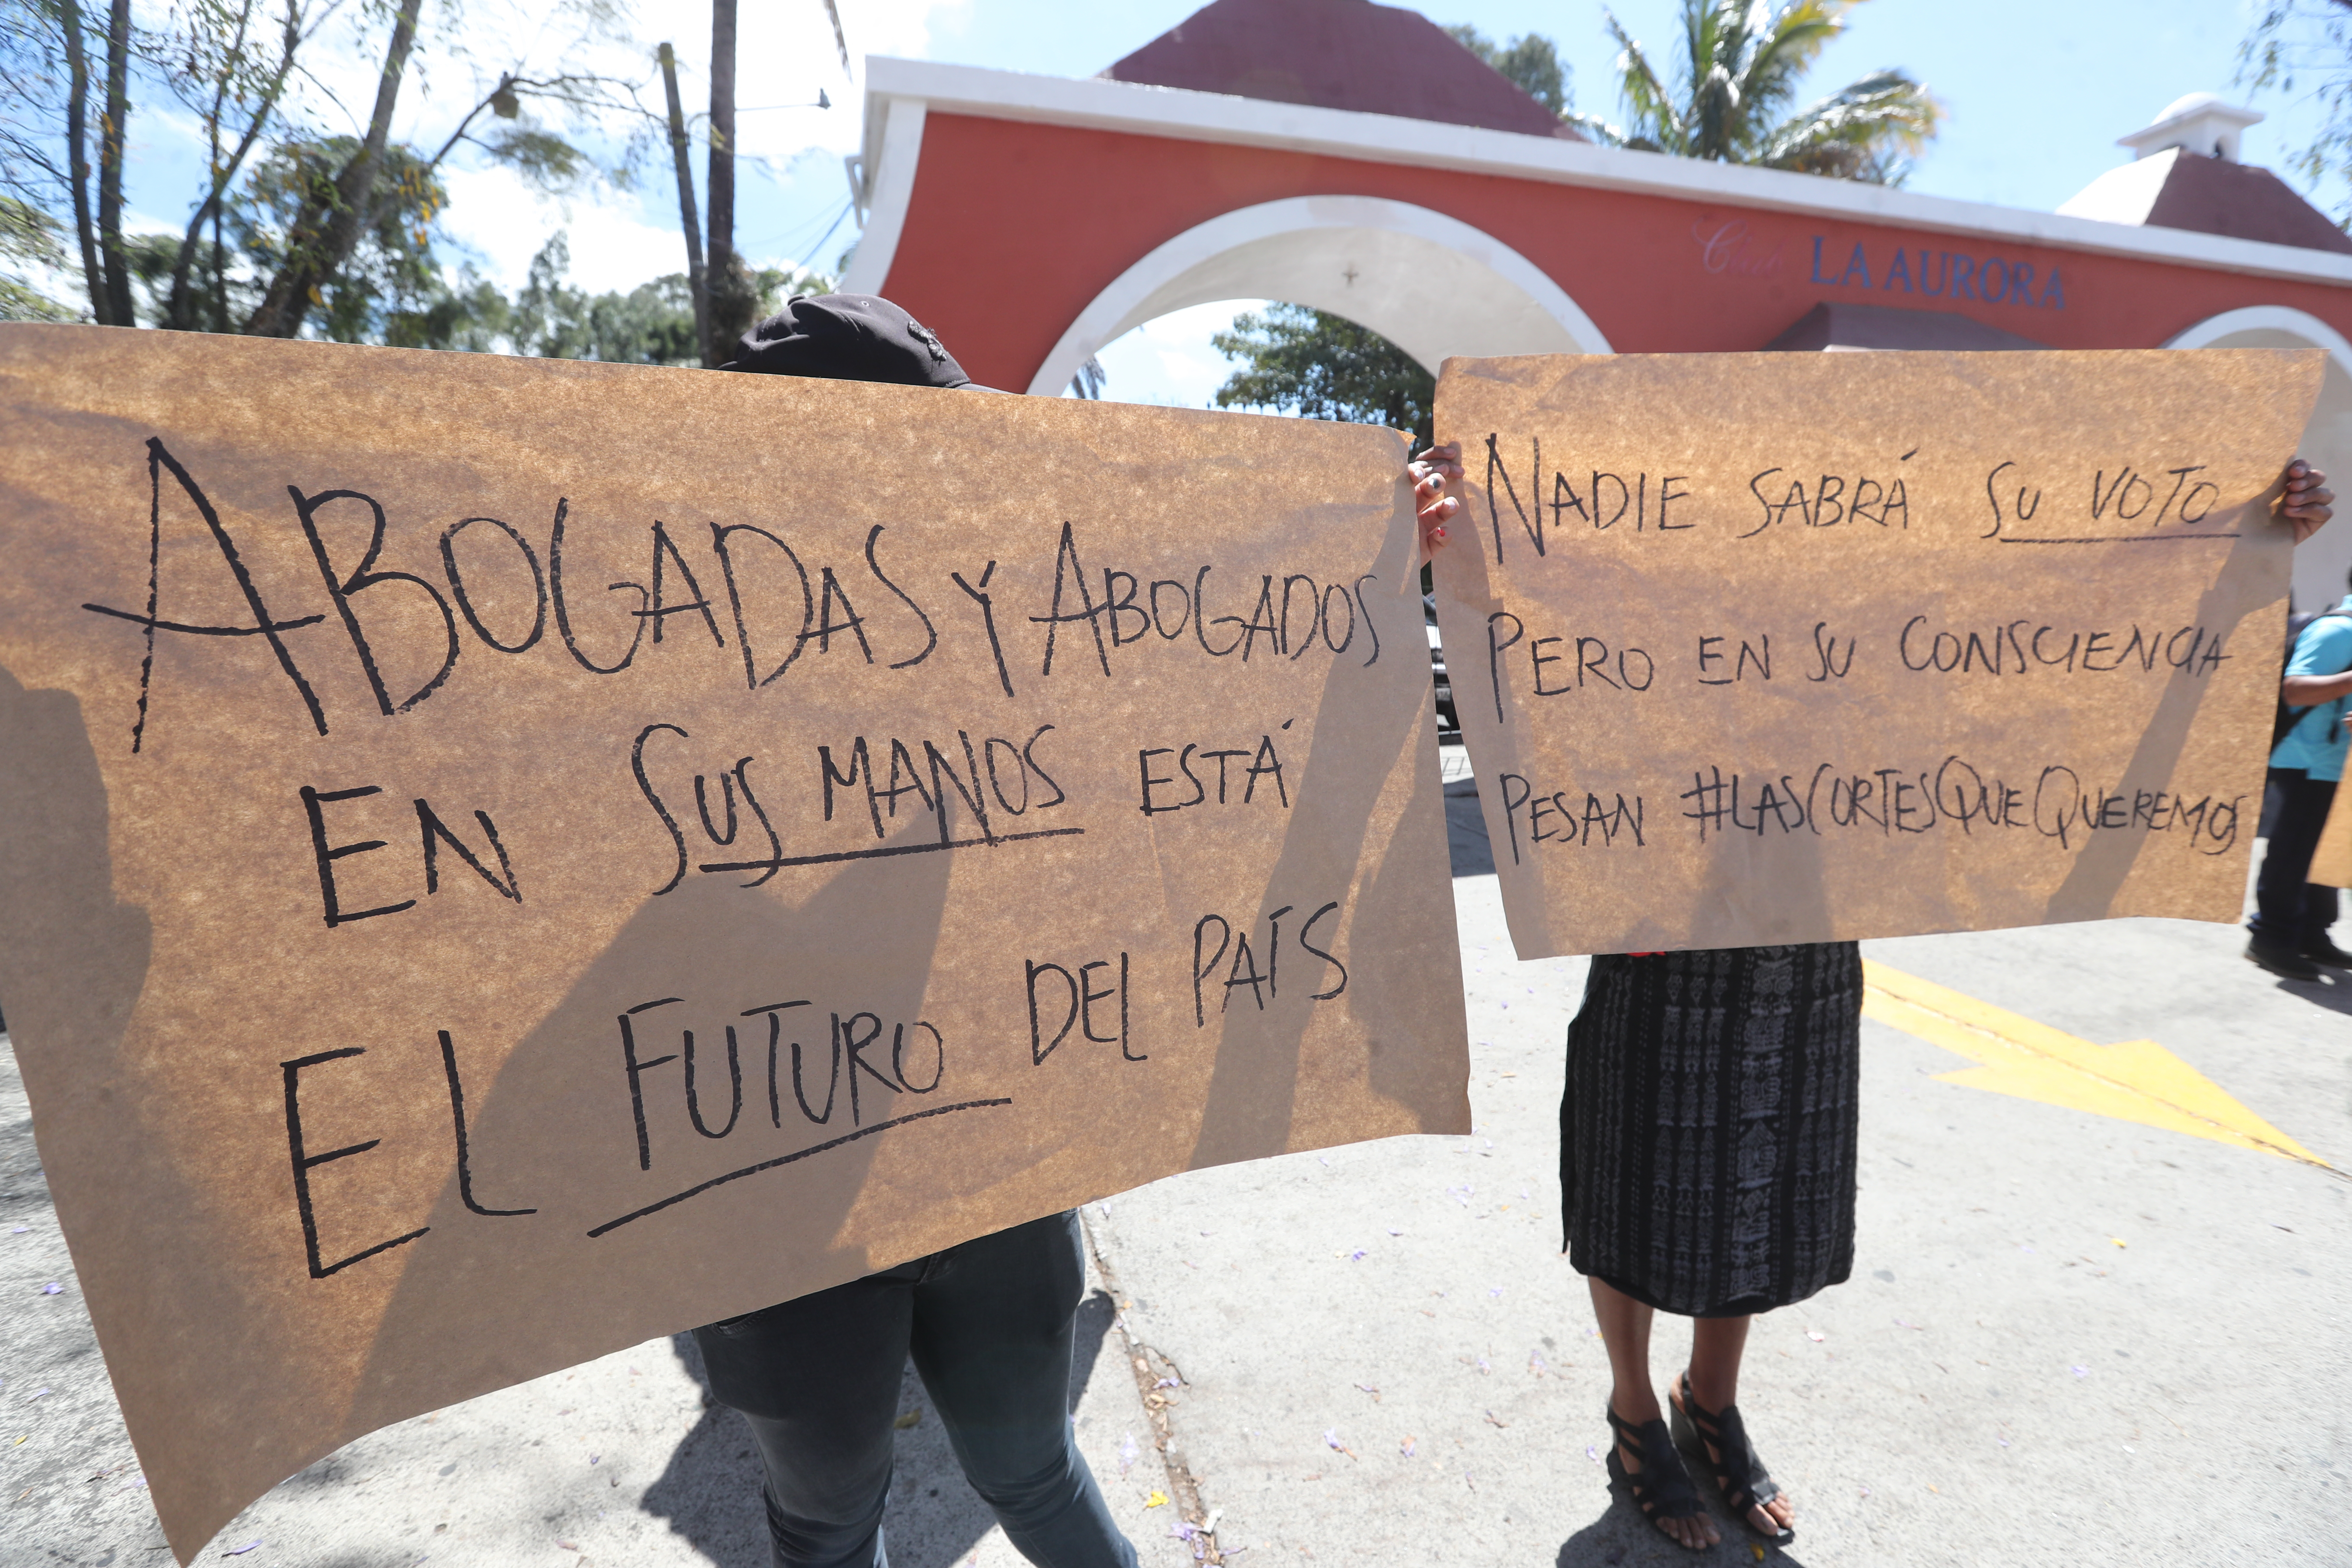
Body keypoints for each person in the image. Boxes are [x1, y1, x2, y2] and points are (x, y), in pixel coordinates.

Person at [1408, 441, 2334, 1552]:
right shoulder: (1642, 588)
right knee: (1633, 1171)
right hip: (1658, 922)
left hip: (1802, 946)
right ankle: (1633, 1411)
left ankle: (1713, 1403)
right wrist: (1448, 526)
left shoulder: (1875, 613)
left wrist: (2245, 535)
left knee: (1752, 1181)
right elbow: (1524, 617)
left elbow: (2053, 613)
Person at [695, 293, 1138, 1568]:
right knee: (831, 1520)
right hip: (779, 1200)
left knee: (1035, 1472)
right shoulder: (635, 653)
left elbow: (1198, 699)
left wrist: (1375, 558)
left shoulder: (1009, 630)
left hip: (990, 1154)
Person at [2248, 549, 2352, 983]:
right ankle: (2270, 938)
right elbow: (2295, 689)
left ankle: (2312, 933)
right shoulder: (2337, 631)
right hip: (2305, 760)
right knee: (2294, 851)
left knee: (2324, 854)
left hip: (2336, 765)